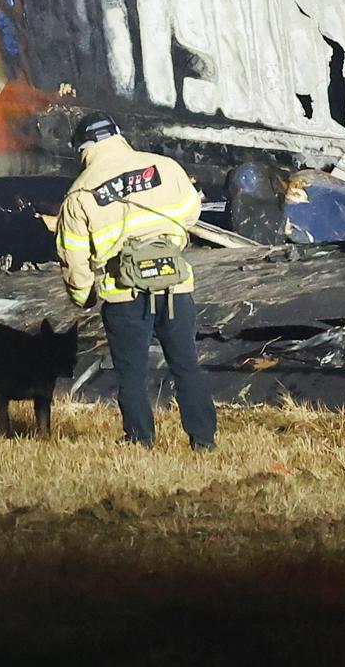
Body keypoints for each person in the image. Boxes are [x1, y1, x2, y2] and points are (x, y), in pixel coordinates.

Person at [55, 113, 217, 450]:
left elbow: (73, 255)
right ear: (117, 135)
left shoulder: (79, 192)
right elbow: (191, 211)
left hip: (123, 295)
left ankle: (140, 439)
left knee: (131, 373)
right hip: (175, 288)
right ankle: (203, 440)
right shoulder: (165, 166)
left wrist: (84, 296)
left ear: (83, 148)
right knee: (186, 364)